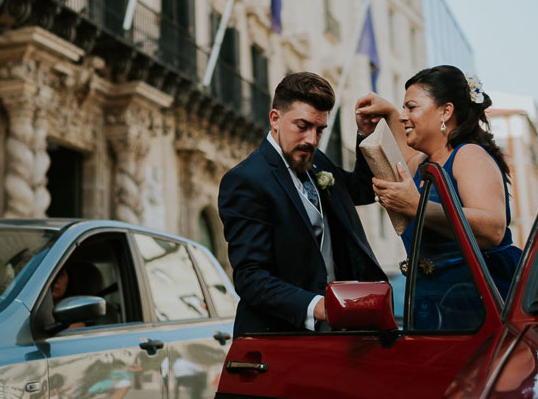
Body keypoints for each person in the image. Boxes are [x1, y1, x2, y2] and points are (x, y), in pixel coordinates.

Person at [218, 71, 386, 336]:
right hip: (279, 338)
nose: (312, 140)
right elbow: (250, 277)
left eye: (320, 130)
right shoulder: (245, 180)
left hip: (337, 335)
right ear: (275, 119)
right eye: (302, 126)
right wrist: (318, 306)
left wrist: (366, 134)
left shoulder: (318, 162)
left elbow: (363, 190)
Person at [359, 65, 522, 308]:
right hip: (434, 302)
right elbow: (399, 156)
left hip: (479, 303)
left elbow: (493, 228)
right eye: (403, 109)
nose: (405, 116)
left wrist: (417, 207)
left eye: (411, 108)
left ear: (445, 111)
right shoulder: (421, 163)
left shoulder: (468, 155)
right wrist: (390, 114)